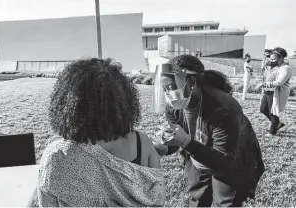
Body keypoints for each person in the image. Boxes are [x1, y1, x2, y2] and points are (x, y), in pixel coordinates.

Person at [33, 58, 165, 207]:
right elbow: (157, 199)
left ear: (68, 104)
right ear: (124, 101)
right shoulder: (143, 142)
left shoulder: (57, 155)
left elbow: (47, 203)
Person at [151, 54, 265, 207]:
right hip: (197, 153)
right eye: (164, 88)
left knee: (225, 202)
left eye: (171, 87)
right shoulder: (173, 107)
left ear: (191, 82)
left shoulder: (224, 108)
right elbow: (179, 138)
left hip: (232, 158)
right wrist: (164, 148)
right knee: (197, 198)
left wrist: (186, 142)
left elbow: (225, 162)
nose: (168, 95)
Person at [260, 47, 292, 135]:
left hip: (276, 92)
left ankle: (272, 131)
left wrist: (264, 84)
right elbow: (266, 76)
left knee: (272, 112)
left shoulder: (285, 68)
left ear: (281, 58)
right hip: (268, 90)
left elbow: (279, 82)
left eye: (274, 59)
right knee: (263, 109)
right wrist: (264, 67)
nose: (271, 60)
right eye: (270, 58)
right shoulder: (274, 66)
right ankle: (277, 123)